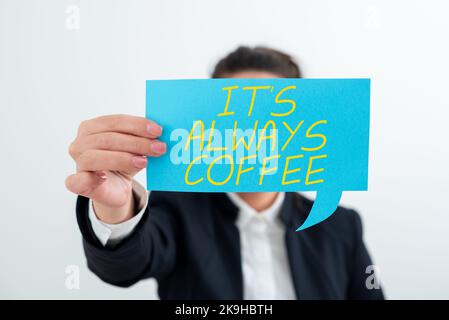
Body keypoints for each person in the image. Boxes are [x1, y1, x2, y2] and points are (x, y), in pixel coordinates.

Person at [66, 46, 384, 300]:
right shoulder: (176, 211)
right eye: (240, 114)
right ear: (213, 120)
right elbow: (123, 267)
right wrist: (116, 205)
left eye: (271, 113)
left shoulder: (341, 227)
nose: (256, 130)